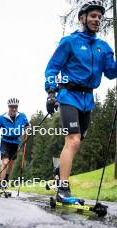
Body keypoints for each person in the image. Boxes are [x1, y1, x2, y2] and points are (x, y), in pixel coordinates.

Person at [45, 1, 117, 201]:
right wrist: (51, 92)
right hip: (68, 96)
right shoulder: (69, 42)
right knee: (73, 140)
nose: (97, 20)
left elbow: (111, 73)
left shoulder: (103, 47)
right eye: (93, 16)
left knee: (76, 142)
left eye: (100, 17)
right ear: (82, 18)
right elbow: (52, 68)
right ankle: (63, 190)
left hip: (88, 100)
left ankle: (59, 170)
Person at [0, 98, 29, 195]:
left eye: (15, 107)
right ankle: (1, 186)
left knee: (11, 164)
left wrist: (27, 130)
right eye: (11, 107)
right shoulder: (1, 118)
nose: (13, 109)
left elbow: (27, 126)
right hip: (5, 141)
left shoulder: (22, 116)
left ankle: (6, 180)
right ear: (8, 107)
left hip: (16, 142)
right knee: (5, 162)